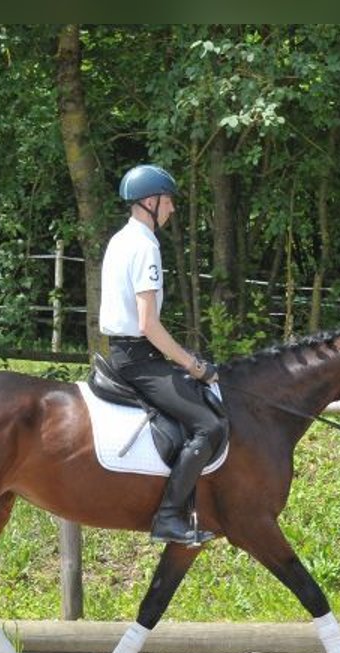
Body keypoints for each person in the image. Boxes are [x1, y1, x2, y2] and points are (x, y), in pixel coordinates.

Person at [99, 163, 226, 546]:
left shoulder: (121, 239)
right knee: (211, 426)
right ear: (151, 201)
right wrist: (194, 364)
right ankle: (169, 517)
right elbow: (148, 325)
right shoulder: (144, 246)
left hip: (126, 353)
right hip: (138, 360)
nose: (171, 208)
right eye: (168, 200)